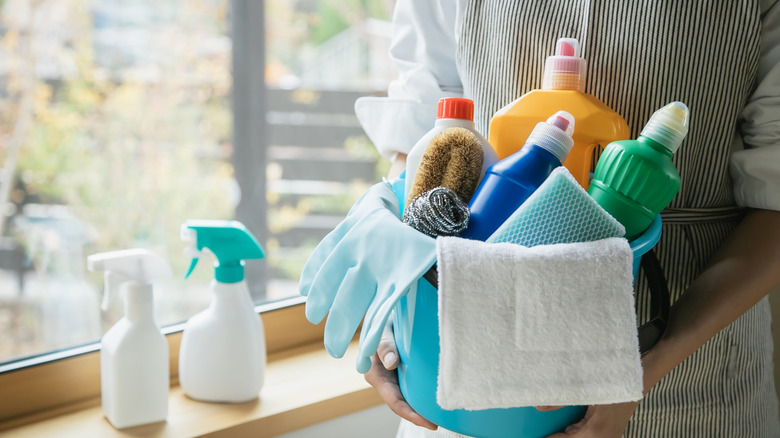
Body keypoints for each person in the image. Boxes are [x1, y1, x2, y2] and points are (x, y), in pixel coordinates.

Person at [353, 1, 780, 437]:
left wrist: (640, 368)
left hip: (687, 370)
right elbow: (427, 141)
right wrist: (393, 304)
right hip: (452, 349)